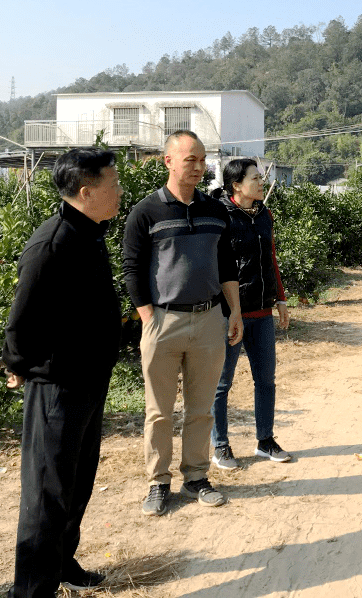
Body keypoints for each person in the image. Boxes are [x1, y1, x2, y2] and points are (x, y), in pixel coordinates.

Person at [2, 147, 124, 597]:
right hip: (59, 386)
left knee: (76, 483)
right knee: (47, 495)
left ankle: (61, 564)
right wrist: (18, 365)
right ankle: (31, 590)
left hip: (90, 380)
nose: (119, 192)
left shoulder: (91, 231)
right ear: (86, 191)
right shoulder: (51, 243)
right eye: (113, 186)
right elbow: (22, 319)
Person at [122, 130, 244, 516]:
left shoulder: (215, 210)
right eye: (190, 159)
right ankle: (158, 482)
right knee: (158, 410)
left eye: (202, 159)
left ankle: (196, 476)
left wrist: (234, 310)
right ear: (168, 161)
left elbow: (226, 264)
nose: (198, 166)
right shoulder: (146, 212)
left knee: (201, 406)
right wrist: (148, 318)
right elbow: (132, 269)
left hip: (209, 318)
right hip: (163, 320)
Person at [210, 158, 292, 470]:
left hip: (261, 311)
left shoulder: (264, 215)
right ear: (236, 185)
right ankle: (220, 445)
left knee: (266, 380)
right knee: (222, 384)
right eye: (256, 178)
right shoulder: (221, 215)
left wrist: (281, 300)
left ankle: (265, 441)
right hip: (229, 313)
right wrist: (228, 310)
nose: (262, 183)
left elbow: (270, 259)